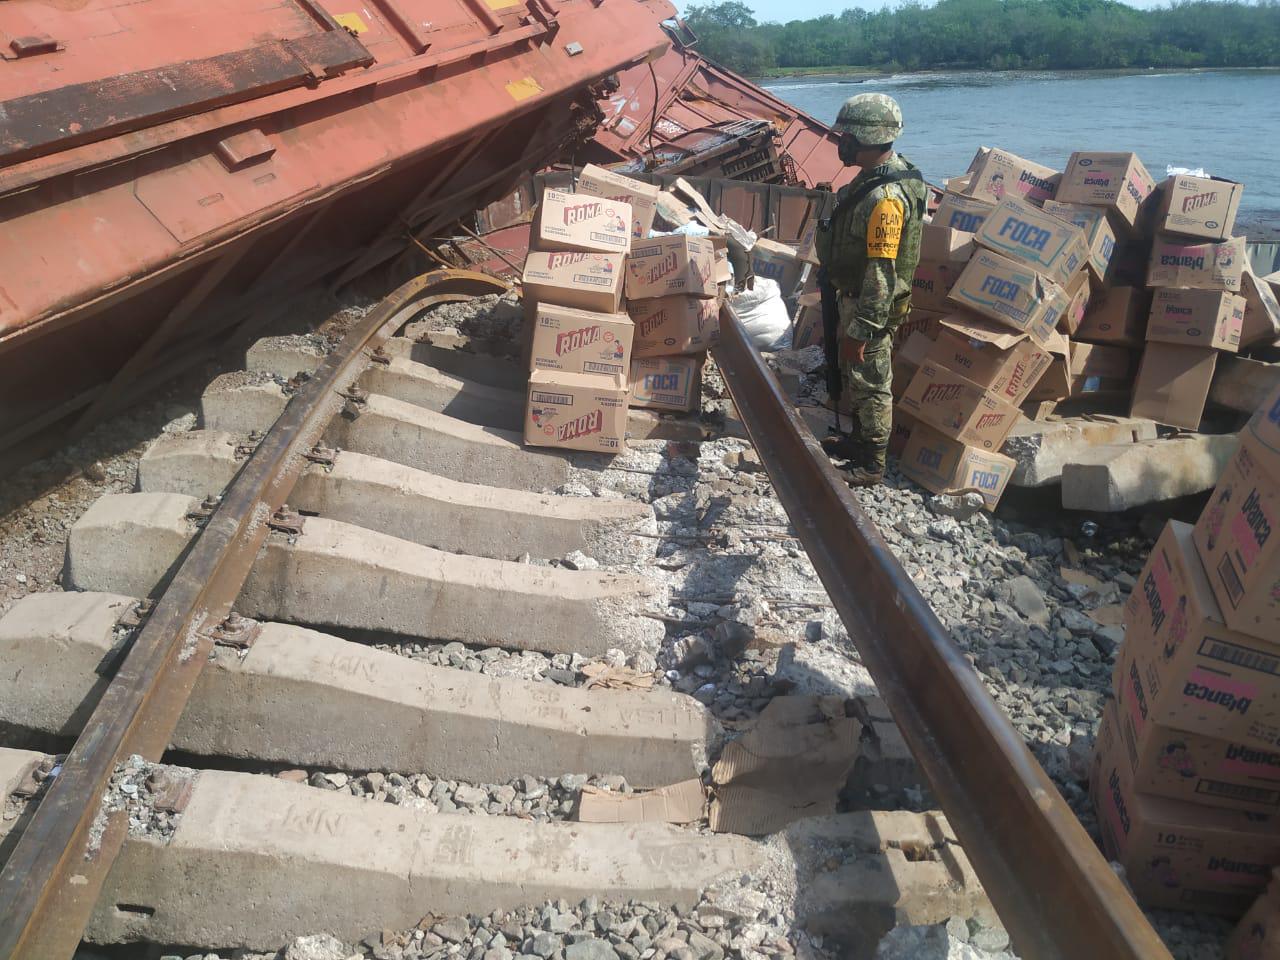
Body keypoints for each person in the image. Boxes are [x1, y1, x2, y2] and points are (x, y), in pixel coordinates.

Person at [814, 93, 927, 486]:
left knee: (871, 381)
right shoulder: (880, 176)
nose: (841, 143)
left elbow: (883, 269)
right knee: (856, 376)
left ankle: (872, 464)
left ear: (867, 138)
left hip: (870, 305)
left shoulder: (885, 198)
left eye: (847, 136)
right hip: (857, 297)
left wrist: (862, 327)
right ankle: (859, 441)